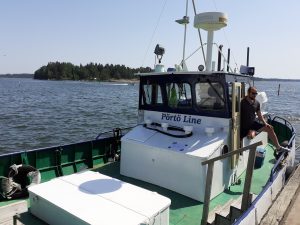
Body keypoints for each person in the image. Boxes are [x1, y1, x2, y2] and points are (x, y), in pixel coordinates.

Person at [240, 86, 289, 153]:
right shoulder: (242, 102)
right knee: (240, 142)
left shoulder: (257, 103)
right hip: (243, 126)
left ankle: (278, 148)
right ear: (248, 93)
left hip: (253, 124)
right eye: (253, 93)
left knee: (269, 128)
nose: (254, 95)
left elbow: (260, 116)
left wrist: (266, 124)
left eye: (255, 93)